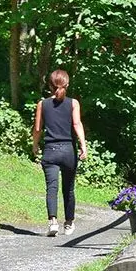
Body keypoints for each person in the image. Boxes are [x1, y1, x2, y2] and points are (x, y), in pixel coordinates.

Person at [31, 69, 89, 237]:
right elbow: (77, 124)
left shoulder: (42, 104)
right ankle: (69, 223)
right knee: (69, 189)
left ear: (49, 85)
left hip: (50, 151)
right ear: (67, 85)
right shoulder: (73, 103)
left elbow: (37, 129)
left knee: (52, 187)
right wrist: (83, 146)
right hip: (68, 151)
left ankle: (53, 222)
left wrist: (35, 145)